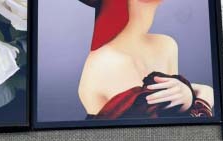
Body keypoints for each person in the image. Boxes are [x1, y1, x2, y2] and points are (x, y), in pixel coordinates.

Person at [78, 0, 214, 120]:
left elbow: (171, 112)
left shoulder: (165, 45)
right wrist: (202, 97)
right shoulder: (105, 63)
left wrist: (190, 93)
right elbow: (154, 131)